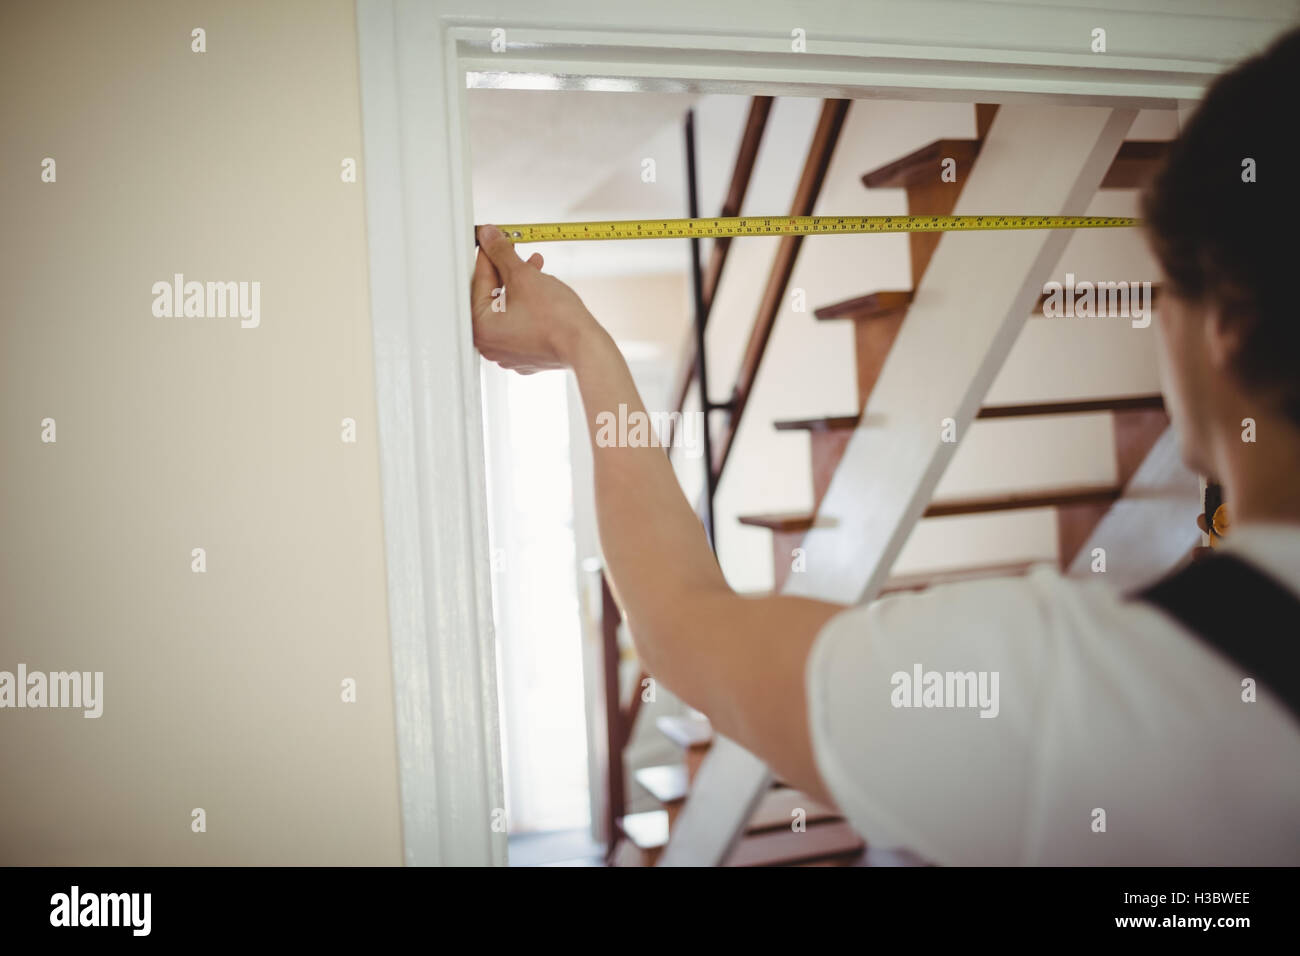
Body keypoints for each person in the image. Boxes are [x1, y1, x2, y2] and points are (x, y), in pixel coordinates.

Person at [469, 27, 1300, 865]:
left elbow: (679, 625)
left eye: (1164, 292)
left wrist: (582, 343)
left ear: (1226, 324)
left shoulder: (1074, 692)